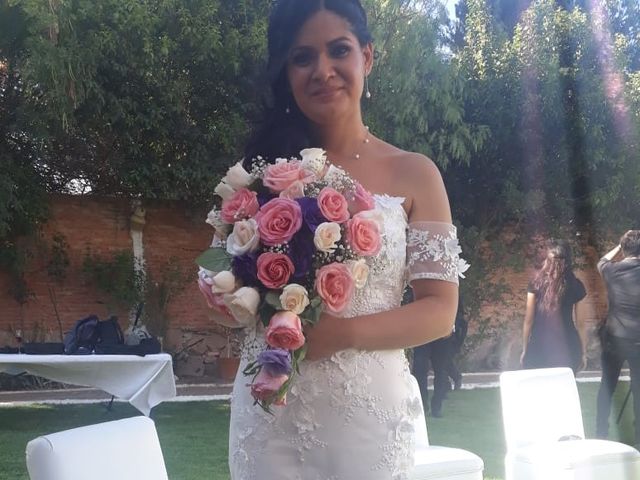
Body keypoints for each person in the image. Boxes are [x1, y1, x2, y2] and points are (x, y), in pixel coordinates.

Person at [226, 1, 466, 478]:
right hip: (270, 408)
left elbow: (440, 311)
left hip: (366, 415)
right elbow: (241, 286)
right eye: (302, 57)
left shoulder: (414, 173)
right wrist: (229, 294)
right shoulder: (262, 176)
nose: (323, 71)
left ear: (367, 57)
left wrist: (344, 335)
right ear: (286, 73)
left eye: (339, 50)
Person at [595, 230, 640, 445]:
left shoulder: (612, 271)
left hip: (614, 339)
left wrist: (618, 247)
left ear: (624, 250)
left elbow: (602, 260)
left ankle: (600, 431)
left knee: (607, 386)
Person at [520, 239, 587, 372]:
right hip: (568, 345)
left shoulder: (535, 283)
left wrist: (525, 349)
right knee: (565, 390)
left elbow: (528, 320)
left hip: (539, 346)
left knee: (540, 390)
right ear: (568, 259)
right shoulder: (576, 285)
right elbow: (581, 324)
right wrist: (584, 353)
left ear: (547, 259)